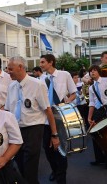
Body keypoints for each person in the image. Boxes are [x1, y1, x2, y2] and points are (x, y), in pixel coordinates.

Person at [5, 56, 60, 184]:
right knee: (20, 165)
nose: (8, 71)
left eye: (10, 69)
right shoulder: (11, 87)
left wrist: (54, 134)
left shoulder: (37, 85)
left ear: (20, 67)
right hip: (16, 130)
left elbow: (48, 111)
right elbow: (8, 111)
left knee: (30, 167)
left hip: (34, 129)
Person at [40, 54, 76, 184]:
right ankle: (55, 170)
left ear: (51, 62)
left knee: (60, 150)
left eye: (43, 62)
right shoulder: (42, 78)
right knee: (47, 150)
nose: (41, 64)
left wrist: (66, 104)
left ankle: (61, 178)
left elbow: (73, 93)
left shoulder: (64, 74)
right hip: (45, 119)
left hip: (60, 118)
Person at [87, 65, 107, 169]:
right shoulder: (91, 87)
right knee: (96, 135)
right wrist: (89, 117)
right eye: (91, 71)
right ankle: (99, 158)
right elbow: (91, 102)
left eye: (94, 70)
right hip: (97, 111)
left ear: (99, 72)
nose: (92, 72)